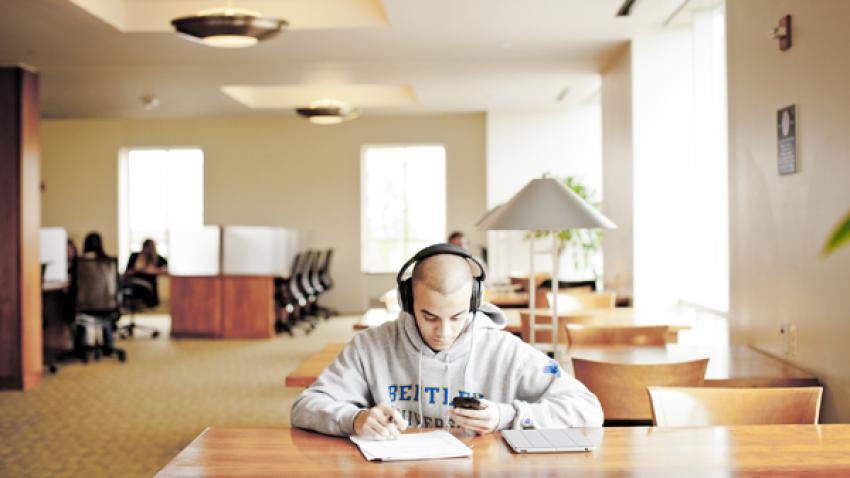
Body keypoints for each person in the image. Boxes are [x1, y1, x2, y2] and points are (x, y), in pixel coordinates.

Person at [291, 243, 603, 439]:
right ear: (408, 300)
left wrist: (505, 416)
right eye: (429, 316)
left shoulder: (507, 351)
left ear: (474, 301)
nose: (443, 331)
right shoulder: (370, 346)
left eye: (456, 317)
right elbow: (305, 406)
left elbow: (587, 409)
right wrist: (355, 418)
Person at [124, 239, 168, 308]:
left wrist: (154, 270)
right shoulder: (135, 256)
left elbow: (166, 269)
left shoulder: (159, 259)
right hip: (133, 281)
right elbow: (127, 272)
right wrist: (136, 269)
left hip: (148, 285)